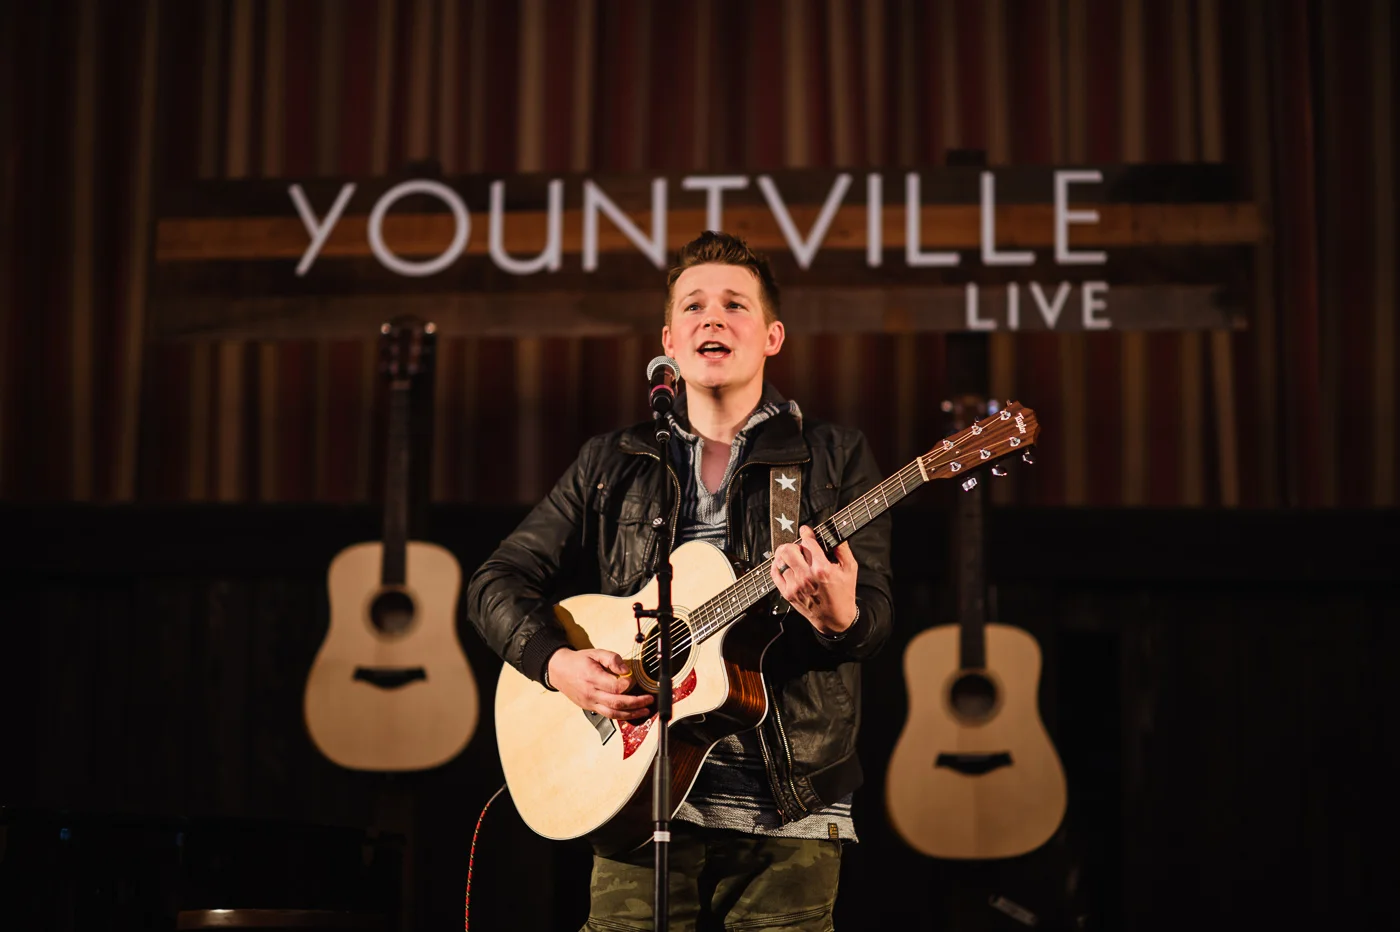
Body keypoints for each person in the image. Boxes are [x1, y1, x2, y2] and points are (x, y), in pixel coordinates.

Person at [467, 230, 894, 931]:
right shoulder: (613, 461)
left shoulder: (832, 457)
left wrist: (839, 618)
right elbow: (495, 581)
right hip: (636, 799)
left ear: (773, 337)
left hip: (788, 811)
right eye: (693, 305)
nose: (712, 317)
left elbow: (873, 617)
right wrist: (558, 663)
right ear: (669, 338)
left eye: (735, 305)